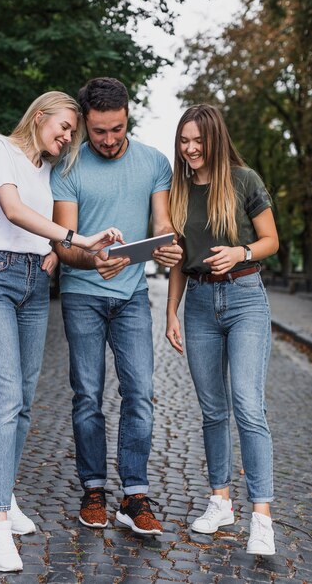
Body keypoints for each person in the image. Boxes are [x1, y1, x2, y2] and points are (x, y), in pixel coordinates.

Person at [0, 91, 123, 573]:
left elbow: (42, 227)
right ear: (39, 116)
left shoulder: (47, 172)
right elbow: (11, 211)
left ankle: (4, 496)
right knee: (4, 396)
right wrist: (72, 239)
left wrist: (52, 253)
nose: (68, 135)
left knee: (24, 399)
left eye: (74, 130)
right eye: (65, 125)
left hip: (33, 284)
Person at [51, 77, 183, 536]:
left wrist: (168, 249)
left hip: (131, 296)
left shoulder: (154, 162)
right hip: (82, 293)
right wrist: (91, 257)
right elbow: (63, 243)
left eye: (117, 129)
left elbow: (163, 223)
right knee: (87, 395)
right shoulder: (68, 166)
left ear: (129, 114)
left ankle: (134, 494)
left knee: (140, 394)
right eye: (99, 131)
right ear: (86, 123)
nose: (108, 140)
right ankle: (92, 489)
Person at [166, 104, 279, 555]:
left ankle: (262, 516)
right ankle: (220, 501)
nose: (190, 149)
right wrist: (170, 312)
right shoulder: (177, 189)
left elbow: (271, 240)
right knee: (212, 410)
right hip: (197, 304)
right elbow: (176, 260)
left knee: (248, 405)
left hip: (246, 297)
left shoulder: (244, 180)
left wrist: (240, 252)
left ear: (214, 138)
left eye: (198, 140)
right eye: (184, 140)